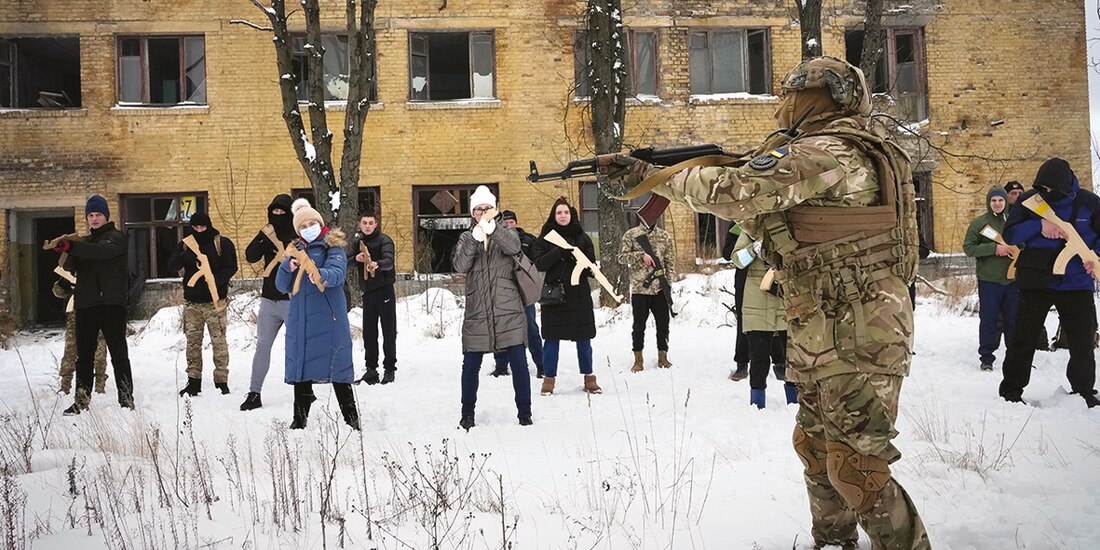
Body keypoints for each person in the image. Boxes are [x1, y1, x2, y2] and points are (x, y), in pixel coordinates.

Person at [600, 56, 929, 549]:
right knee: (817, 449)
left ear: (821, 98)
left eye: (792, 94)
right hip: (824, 321)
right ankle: (835, 540)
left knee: (856, 463)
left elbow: (737, 191)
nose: (782, 104)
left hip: (860, 328)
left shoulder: (831, 153)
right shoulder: (821, 150)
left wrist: (653, 175)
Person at [1000, 158, 1100, 408]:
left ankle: (1083, 391)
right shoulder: (1028, 201)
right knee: (1023, 338)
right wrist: (1039, 225)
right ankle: (1011, 390)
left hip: (1077, 282)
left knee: (1082, 341)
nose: (1045, 194)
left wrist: (1095, 257)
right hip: (1036, 280)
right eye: (1041, 188)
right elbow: (1010, 234)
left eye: (1050, 190)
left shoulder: (1089, 203)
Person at [452, 186, 533, 430]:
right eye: (478, 209)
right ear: (472, 213)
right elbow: (460, 266)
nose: (482, 213)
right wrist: (475, 240)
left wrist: (494, 230)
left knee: (519, 362)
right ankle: (467, 413)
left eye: (487, 208)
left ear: (494, 210)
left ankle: (525, 413)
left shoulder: (506, 231)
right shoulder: (467, 237)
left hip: (508, 309)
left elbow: (513, 247)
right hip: (478, 310)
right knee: (470, 365)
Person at [275, 198, 360, 430]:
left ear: (320, 223)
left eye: (312, 223)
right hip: (300, 320)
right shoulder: (294, 251)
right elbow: (282, 285)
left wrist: (320, 273)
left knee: (338, 370)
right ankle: (299, 421)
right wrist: (287, 267)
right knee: (301, 371)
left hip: (329, 320)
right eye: (303, 226)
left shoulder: (334, 246)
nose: (308, 228)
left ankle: (352, 422)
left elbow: (336, 274)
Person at [56, 195, 135, 415]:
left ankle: (126, 399)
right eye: (90, 215)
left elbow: (100, 252)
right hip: (86, 305)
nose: (94, 219)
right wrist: (65, 249)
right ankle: (81, 401)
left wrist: (73, 246)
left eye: (98, 214)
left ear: (106, 216)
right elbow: (71, 266)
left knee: (118, 354)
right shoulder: (84, 242)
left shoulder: (116, 238)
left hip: (111, 304)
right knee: (84, 356)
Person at [531, 197, 601, 396]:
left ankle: (589, 378)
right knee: (551, 340)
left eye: (566, 212)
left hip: (579, 295)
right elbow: (539, 264)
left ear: (572, 215)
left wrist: (587, 266)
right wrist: (559, 253)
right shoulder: (544, 238)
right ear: (554, 216)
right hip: (555, 295)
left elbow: (590, 264)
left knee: (584, 338)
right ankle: (549, 381)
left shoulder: (582, 238)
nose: (563, 216)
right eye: (559, 213)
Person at [168, 211, 238, 397]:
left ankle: (221, 380)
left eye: (203, 227)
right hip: (192, 303)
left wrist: (214, 281)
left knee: (219, 342)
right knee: (192, 343)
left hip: (215, 302)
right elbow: (171, 265)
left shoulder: (221, 243)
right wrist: (184, 257)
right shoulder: (186, 244)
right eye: (195, 227)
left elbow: (232, 267)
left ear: (208, 225)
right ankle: (193, 381)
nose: (199, 230)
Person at [240, 194, 296, 410]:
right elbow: (250, 255)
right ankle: (255, 392)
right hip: (269, 300)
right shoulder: (267, 232)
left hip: (292, 300)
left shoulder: (298, 234)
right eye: (275, 212)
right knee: (262, 346)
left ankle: (304, 390)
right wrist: (264, 239)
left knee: (296, 347)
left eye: (283, 212)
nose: (278, 215)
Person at [730, 233, 797, 407]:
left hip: (785, 300)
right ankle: (757, 404)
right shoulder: (750, 231)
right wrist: (753, 249)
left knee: (792, 356)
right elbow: (738, 260)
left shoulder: (787, 227)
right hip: (757, 303)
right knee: (759, 358)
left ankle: (794, 402)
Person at [962, 186, 1018, 372]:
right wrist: (994, 249)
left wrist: (1017, 248)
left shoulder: (1014, 220)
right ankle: (987, 357)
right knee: (989, 320)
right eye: (993, 200)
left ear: (1005, 201)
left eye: (1000, 200)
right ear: (989, 202)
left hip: (1013, 280)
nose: (997, 203)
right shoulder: (980, 224)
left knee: (1014, 320)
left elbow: (1026, 242)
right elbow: (969, 248)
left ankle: (1015, 357)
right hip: (989, 281)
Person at [491, 210, 545, 378]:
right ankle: (501, 366)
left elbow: (537, 262)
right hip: (502, 292)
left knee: (530, 328)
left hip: (523, 291)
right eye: (505, 223)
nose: (508, 225)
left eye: (511, 222)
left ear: (516, 223)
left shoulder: (528, 240)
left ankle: (541, 365)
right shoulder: (494, 241)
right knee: (501, 328)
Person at [619, 218, 676, 372]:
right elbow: (622, 258)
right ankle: (638, 359)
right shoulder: (631, 234)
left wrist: (668, 284)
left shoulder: (664, 236)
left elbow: (670, 262)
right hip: (640, 289)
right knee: (638, 326)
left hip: (660, 289)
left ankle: (663, 357)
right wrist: (640, 255)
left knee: (663, 325)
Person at [349, 211, 398, 385]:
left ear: (376, 224)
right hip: (368, 292)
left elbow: (389, 261)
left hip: (384, 290)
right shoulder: (358, 243)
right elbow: (347, 263)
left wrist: (376, 264)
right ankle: (371, 370)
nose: (368, 226)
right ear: (359, 224)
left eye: (371, 223)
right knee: (369, 333)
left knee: (388, 331)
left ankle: (390, 369)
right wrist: (356, 258)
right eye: (365, 223)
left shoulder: (385, 240)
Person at [54, 278, 108, 394]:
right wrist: (63, 284)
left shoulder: (102, 270)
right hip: (75, 321)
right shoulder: (72, 273)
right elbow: (57, 292)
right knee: (70, 353)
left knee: (100, 354)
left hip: (97, 317)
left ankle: (100, 386)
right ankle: (65, 386)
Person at [722, 223, 752, 380]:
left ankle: (779, 362)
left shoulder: (769, 219)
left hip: (769, 278)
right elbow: (727, 254)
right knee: (744, 320)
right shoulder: (737, 225)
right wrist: (744, 242)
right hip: (744, 279)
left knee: (774, 319)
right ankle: (742, 363)